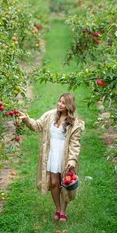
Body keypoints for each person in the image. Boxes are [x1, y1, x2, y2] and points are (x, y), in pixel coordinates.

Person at [18, 93, 85, 223]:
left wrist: (72, 160)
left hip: (65, 156)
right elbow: (37, 125)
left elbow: (75, 144)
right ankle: (58, 209)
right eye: (59, 101)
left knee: (65, 184)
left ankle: (64, 211)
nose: (60, 104)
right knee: (54, 183)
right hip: (52, 154)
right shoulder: (50, 116)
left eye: (63, 103)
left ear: (69, 106)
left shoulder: (74, 124)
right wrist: (27, 120)